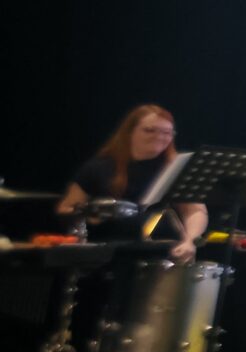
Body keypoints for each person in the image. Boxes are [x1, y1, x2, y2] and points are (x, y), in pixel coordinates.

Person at [57, 104, 204, 260]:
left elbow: (195, 211)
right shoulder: (98, 167)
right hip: (107, 254)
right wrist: (90, 214)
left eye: (167, 132)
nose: (159, 137)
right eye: (149, 130)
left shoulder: (175, 169)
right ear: (129, 132)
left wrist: (190, 241)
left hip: (161, 254)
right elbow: (66, 208)